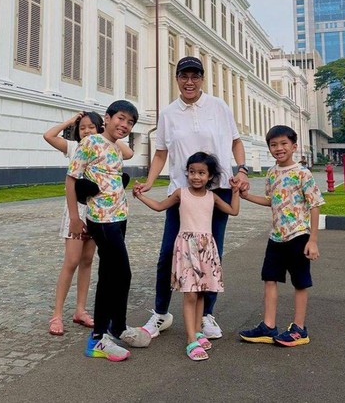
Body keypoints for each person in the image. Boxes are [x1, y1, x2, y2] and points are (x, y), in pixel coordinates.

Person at [136, 56, 249, 341]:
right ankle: (161, 313)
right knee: (167, 254)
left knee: (212, 255)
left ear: (202, 79)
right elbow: (161, 151)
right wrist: (150, 181)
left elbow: (236, 141)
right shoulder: (169, 113)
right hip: (182, 192)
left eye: (195, 76)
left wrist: (242, 170)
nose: (189, 82)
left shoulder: (218, 106)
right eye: (184, 76)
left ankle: (206, 314)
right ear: (177, 79)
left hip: (218, 189)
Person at [65, 100, 151, 361]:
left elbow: (123, 158)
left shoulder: (115, 146)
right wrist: (74, 218)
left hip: (120, 216)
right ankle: (98, 338)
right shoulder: (89, 142)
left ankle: (117, 327)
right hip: (101, 219)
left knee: (108, 273)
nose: (124, 125)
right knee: (122, 273)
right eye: (121, 119)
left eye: (130, 122)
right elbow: (71, 179)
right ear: (108, 117)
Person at [134, 152, 239, 360]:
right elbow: (159, 206)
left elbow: (233, 211)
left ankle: (198, 331)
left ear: (210, 176)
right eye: (192, 172)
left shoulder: (212, 197)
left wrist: (235, 191)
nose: (196, 177)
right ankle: (191, 339)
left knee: (201, 291)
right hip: (186, 248)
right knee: (190, 293)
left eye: (201, 173)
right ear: (187, 173)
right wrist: (141, 195)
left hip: (206, 248)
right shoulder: (181, 193)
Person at [43, 111, 134, 336]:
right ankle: (57, 314)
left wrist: (114, 131)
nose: (86, 131)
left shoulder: (108, 145)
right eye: (82, 128)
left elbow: (128, 152)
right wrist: (70, 122)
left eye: (91, 127)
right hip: (78, 210)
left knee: (87, 260)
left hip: (101, 212)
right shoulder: (76, 147)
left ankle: (80, 310)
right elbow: (49, 136)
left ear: (100, 126)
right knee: (72, 261)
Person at [239, 125, 325, 346]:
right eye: (274, 145)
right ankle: (268, 327)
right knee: (269, 278)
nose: (279, 148)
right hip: (276, 237)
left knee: (300, 282)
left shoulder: (302, 173)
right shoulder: (271, 173)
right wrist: (247, 196)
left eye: (284, 144)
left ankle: (299, 329)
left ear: (294, 146)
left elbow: (315, 205)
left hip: (298, 236)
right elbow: (272, 201)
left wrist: (313, 240)